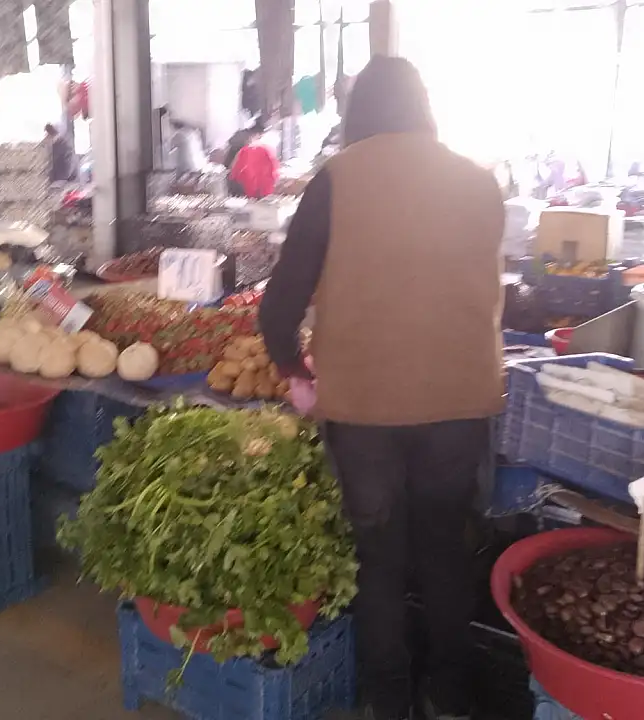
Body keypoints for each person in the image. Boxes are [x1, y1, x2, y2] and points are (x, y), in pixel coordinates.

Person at [259, 56, 504, 720]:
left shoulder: (336, 180)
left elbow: (278, 310)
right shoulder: (479, 181)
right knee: (445, 551)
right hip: (459, 404)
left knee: (380, 560)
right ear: (425, 108)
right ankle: (449, 695)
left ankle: (389, 700)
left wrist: (295, 372)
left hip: (364, 411)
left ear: (356, 113)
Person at [228, 121, 278, 199]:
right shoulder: (268, 150)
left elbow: (233, 172)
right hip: (265, 191)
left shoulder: (243, 151)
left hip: (247, 191)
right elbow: (274, 170)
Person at [222, 116, 267, 196]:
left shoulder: (242, 135)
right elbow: (239, 159)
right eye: (260, 137)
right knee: (239, 195)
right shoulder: (246, 142)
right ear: (257, 133)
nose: (259, 139)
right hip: (235, 173)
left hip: (230, 171)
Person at [159, 106, 206, 173]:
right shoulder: (192, 133)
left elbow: (165, 150)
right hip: (198, 167)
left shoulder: (180, 135)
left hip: (189, 170)